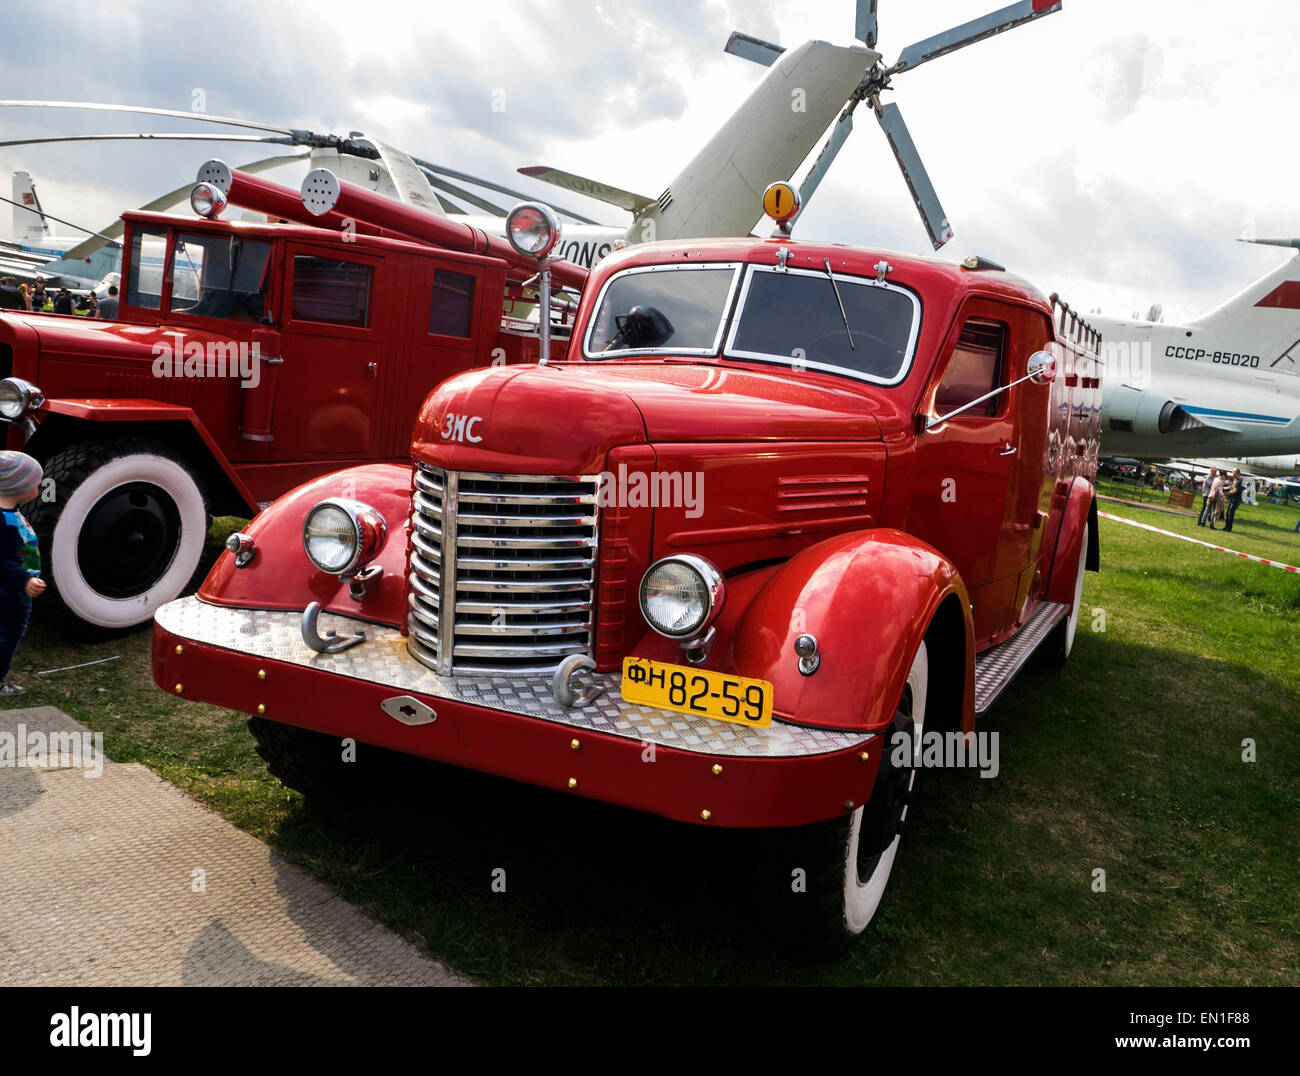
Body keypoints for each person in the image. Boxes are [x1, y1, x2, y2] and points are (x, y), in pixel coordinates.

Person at [0, 451, 47, 695]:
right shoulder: (5, 523)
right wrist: (25, 580)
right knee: (10, 633)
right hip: (12, 591)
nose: (40, 487)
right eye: (37, 484)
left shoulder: (8, 515)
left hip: (12, 587)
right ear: (19, 486)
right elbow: (4, 561)